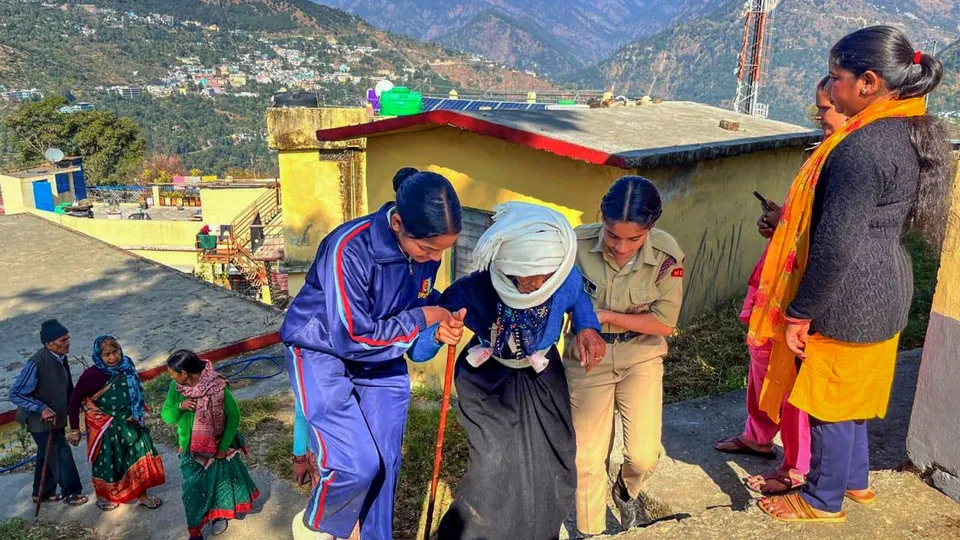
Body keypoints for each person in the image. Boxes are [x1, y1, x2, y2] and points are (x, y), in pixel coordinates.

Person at [753, 26, 953, 522]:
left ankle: (822, 499)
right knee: (854, 394)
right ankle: (857, 481)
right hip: (886, 284)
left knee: (828, 403)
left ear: (867, 82)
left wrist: (800, 312)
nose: (830, 86)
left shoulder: (860, 149)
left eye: (836, 77)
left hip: (850, 294)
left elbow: (837, 244)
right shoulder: (909, 129)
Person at [283, 168, 465, 540]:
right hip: (322, 351)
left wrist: (436, 332)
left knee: (384, 464)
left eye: (442, 250)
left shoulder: (426, 254)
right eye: (428, 249)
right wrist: (422, 317)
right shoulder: (349, 248)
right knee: (356, 464)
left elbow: (414, 344)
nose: (434, 258)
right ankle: (317, 525)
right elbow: (351, 337)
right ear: (397, 222)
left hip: (381, 357)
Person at [420, 201, 606, 540]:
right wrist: (437, 333)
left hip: (543, 375)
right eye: (525, 279)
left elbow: (578, 297)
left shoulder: (564, 279)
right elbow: (419, 349)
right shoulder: (472, 290)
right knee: (493, 461)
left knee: (556, 457)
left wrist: (587, 327)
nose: (534, 286)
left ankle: (539, 532)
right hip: (486, 379)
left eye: (542, 279)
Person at [714, 77, 849, 495]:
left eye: (825, 108)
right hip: (778, 283)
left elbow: (831, 235)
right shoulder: (823, 154)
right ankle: (758, 434)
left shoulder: (847, 159)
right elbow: (804, 221)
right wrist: (778, 223)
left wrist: (785, 227)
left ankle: (795, 467)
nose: (818, 117)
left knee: (791, 381)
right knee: (761, 361)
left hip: (805, 293)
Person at [563, 177, 684, 536]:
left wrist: (608, 317)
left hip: (641, 354)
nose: (621, 247)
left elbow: (664, 323)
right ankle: (592, 532)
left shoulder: (666, 256)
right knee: (585, 459)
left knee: (644, 455)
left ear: (651, 227)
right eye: (613, 235)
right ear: (601, 217)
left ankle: (625, 489)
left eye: (634, 238)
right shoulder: (575, 244)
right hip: (587, 356)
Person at [162, 350, 259, 540]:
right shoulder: (177, 388)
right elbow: (167, 416)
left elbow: (233, 417)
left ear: (184, 373)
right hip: (191, 449)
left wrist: (222, 448)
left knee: (219, 483)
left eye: (172, 373)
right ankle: (195, 530)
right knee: (192, 489)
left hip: (218, 446)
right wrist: (179, 407)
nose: (170, 377)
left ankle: (218, 515)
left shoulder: (218, 387)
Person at [67, 336, 165, 511]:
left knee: (137, 456)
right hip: (106, 427)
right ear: (99, 355)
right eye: (107, 354)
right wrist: (74, 429)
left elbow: (135, 389)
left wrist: (137, 409)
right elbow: (74, 400)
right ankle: (105, 496)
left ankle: (142, 495)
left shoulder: (127, 365)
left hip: (131, 421)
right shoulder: (91, 376)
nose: (112, 358)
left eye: (115, 352)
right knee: (108, 460)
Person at [9, 319, 88, 507]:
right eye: (63, 340)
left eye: (68, 338)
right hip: (38, 420)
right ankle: (72, 492)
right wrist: (41, 408)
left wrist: (77, 402)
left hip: (56, 417)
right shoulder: (36, 363)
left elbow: (67, 385)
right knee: (60, 453)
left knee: (47, 454)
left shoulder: (60, 357)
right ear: (48, 343)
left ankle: (41, 493)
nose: (68, 343)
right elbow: (16, 392)